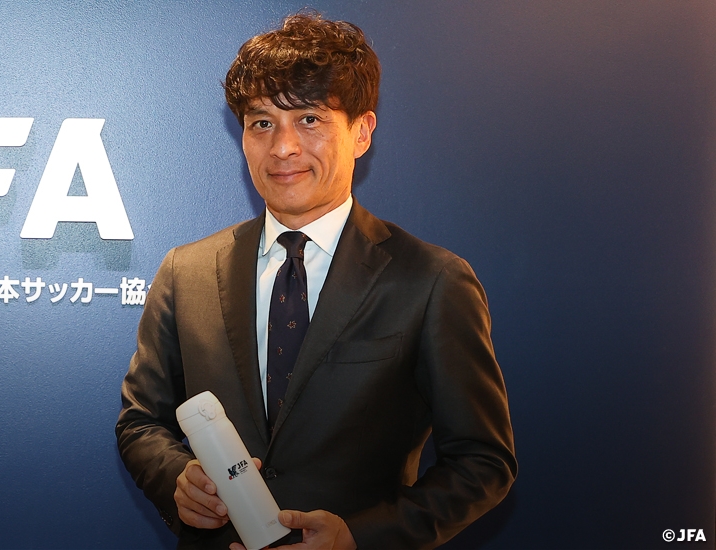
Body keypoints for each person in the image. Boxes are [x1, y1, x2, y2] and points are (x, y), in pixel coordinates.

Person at [115, 12, 516, 550]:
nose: (282, 148)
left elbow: (483, 461)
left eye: (309, 119)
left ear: (361, 132)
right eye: (261, 124)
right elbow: (141, 422)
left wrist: (360, 538)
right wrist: (178, 482)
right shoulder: (185, 272)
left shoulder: (432, 281)